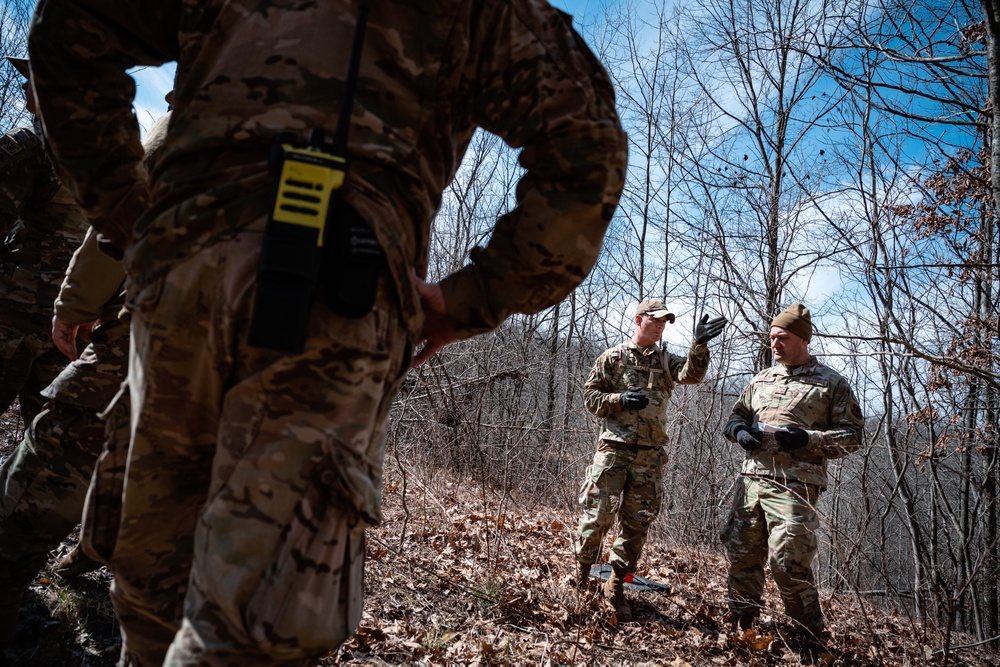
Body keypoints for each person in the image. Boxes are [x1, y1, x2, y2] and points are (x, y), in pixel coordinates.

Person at [28, 2, 628, 665]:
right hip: (340, 284)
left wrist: (130, 212)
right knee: (250, 630)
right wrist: (470, 298)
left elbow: (68, 26)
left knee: (154, 587)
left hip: (185, 262)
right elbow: (587, 143)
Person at [0, 112, 171, 651]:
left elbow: (128, 213)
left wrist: (77, 302)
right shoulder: (375, 125)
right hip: (293, 372)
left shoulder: (219, 94)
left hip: (149, 323)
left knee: (57, 462)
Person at [721, 303, 864, 658]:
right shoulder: (761, 379)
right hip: (751, 481)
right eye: (772, 338)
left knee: (787, 561)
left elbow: (853, 437)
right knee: (743, 554)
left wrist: (808, 439)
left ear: (803, 338)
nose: (775, 344)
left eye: (782, 337)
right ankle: (742, 625)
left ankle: (810, 639)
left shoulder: (831, 384)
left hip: (795, 486)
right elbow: (735, 416)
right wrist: (741, 433)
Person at [575, 298, 727, 621]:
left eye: (664, 323)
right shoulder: (613, 359)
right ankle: (581, 576)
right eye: (655, 321)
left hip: (650, 458)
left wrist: (698, 345)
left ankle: (614, 587)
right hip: (613, 450)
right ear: (638, 319)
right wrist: (619, 399)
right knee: (597, 516)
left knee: (636, 525)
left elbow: (691, 374)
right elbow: (590, 396)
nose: (659, 327)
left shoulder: (664, 360)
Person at [0, 56, 89, 428]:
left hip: (11, 315)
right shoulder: (104, 161)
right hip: (67, 322)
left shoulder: (27, 147)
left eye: (33, 76)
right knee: (49, 447)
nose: (24, 85)